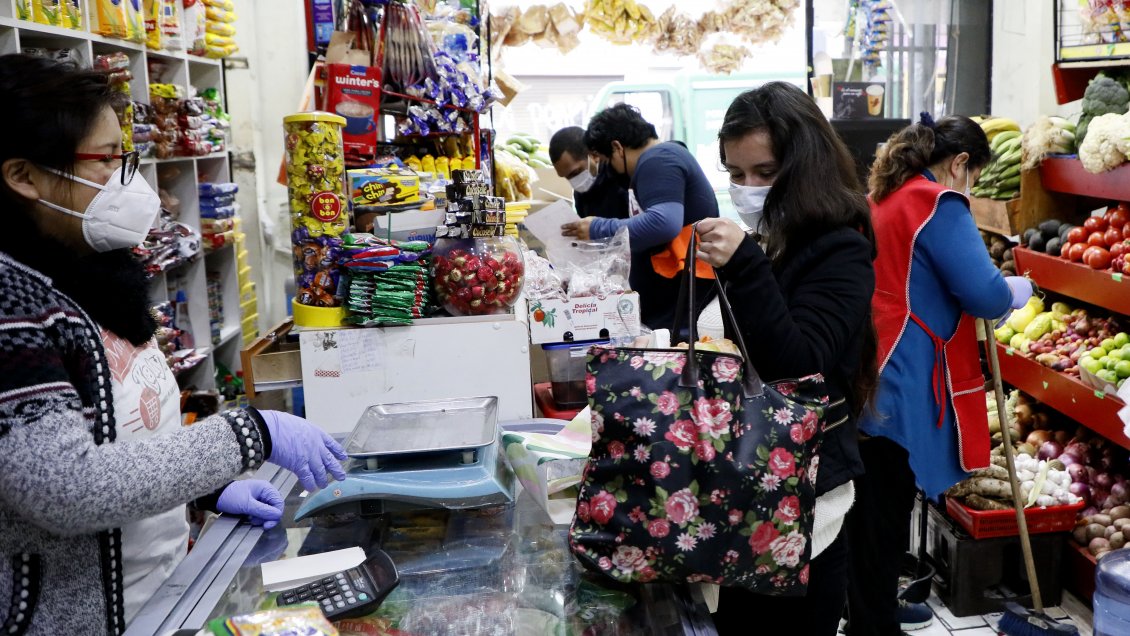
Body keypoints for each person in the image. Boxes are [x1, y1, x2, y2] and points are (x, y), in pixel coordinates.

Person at [0, 54, 349, 635]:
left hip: (157, 596)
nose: (131, 183)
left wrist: (208, 488)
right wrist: (249, 433)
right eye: (106, 160)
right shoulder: (12, 305)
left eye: (125, 157)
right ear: (23, 176)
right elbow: (65, 488)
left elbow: (124, 433)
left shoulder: (92, 272)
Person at [692, 82, 878, 636]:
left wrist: (744, 266)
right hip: (745, 485)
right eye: (735, 173)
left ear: (804, 167)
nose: (747, 188)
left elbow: (800, 368)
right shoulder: (771, 235)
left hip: (801, 504)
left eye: (765, 172)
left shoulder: (840, 247)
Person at [844, 114, 1034, 636]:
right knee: (884, 512)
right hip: (906, 374)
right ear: (961, 163)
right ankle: (873, 626)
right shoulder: (938, 203)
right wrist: (1014, 290)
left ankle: (873, 608)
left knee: (872, 509)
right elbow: (984, 294)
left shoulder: (885, 195)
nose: (970, 186)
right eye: (973, 176)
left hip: (872, 363)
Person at [561, 104, 719, 331]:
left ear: (617, 147)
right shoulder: (662, 158)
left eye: (606, 161)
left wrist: (598, 228)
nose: (609, 171)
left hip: (683, 307)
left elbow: (663, 223)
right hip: (676, 304)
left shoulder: (658, 160)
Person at [548, 126, 629, 220]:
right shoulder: (580, 192)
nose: (573, 182)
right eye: (566, 177)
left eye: (575, 173)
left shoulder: (622, 180)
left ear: (594, 155)